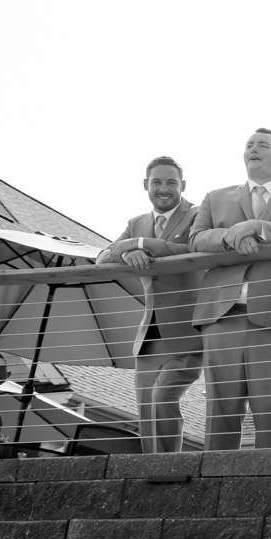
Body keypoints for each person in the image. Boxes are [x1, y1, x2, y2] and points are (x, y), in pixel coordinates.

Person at [188, 129, 271, 450]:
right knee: (220, 416)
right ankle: (215, 486)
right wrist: (231, 235)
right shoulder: (214, 197)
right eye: (249, 145)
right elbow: (196, 238)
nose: (253, 149)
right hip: (222, 317)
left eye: (262, 145)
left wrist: (259, 228)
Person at [96, 156, 203, 453]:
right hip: (150, 335)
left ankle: (169, 467)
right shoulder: (136, 223)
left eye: (171, 182)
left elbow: (193, 248)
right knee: (146, 411)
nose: (164, 188)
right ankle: (151, 474)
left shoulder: (197, 215)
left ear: (183, 185)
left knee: (162, 398)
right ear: (146, 185)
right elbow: (103, 256)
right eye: (157, 182)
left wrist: (141, 245)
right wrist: (127, 254)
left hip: (188, 332)